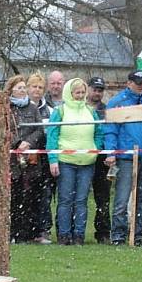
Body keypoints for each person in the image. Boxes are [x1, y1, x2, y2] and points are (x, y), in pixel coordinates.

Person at [103, 70, 142, 246]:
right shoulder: (117, 103)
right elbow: (110, 130)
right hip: (126, 157)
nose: (141, 86)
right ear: (129, 83)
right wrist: (111, 152)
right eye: (138, 83)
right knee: (122, 199)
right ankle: (118, 235)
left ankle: (138, 235)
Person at [46, 78, 103, 245]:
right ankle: (64, 235)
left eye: (82, 92)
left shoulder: (91, 111)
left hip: (87, 162)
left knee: (81, 200)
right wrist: (53, 160)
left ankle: (79, 235)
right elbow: (52, 136)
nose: (80, 95)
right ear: (69, 93)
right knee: (65, 199)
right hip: (66, 161)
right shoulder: (60, 111)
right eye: (76, 92)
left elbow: (99, 132)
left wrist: (95, 149)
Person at [5, 74, 45, 243]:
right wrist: (17, 142)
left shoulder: (32, 108)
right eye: (19, 88)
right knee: (13, 196)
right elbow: (5, 128)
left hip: (30, 159)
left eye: (23, 87)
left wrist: (28, 142)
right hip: (12, 160)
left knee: (30, 195)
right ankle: (12, 232)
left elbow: (39, 129)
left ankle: (26, 232)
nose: (22, 91)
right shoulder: (6, 107)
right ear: (12, 89)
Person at [26, 71, 53, 244]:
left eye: (40, 87)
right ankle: (25, 229)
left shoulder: (49, 110)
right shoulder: (24, 108)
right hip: (26, 157)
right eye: (34, 86)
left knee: (44, 195)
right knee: (26, 194)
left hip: (43, 157)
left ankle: (42, 229)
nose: (37, 90)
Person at [87, 76, 111, 244]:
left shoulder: (107, 110)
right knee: (78, 196)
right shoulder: (81, 108)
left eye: (100, 90)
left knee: (103, 197)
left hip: (101, 157)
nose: (97, 93)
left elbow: (108, 132)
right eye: (95, 89)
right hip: (82, 154)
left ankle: (102, 231)